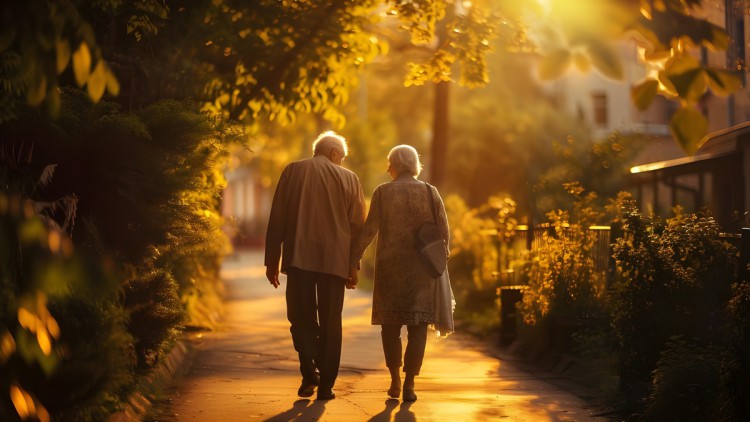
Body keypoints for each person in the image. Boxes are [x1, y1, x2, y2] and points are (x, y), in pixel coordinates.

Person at [264, 131, 366, 401]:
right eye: (341, 158)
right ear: (334, 153)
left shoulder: (292, 171)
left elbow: (278, 218)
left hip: (299, 259)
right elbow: (357, 227)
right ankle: (326, 385)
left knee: (301, 317)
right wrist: (353, 265)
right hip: (335, 262)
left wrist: (272, 260)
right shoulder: (350, 179)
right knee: (332, 321)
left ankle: (309, 373)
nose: (341, 162)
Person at [350, 144, 451, 402]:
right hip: (422, 272)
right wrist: (441, 259)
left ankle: (394, 379)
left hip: (390, 272)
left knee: (390, 328)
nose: (387, 167)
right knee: (418, 329)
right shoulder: (430, 192)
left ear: (394, 164)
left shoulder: (383, 192)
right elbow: (444, 232)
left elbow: (370, 230)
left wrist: (354, 259)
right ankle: (409, 384)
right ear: (414, 164)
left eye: (388, 162)